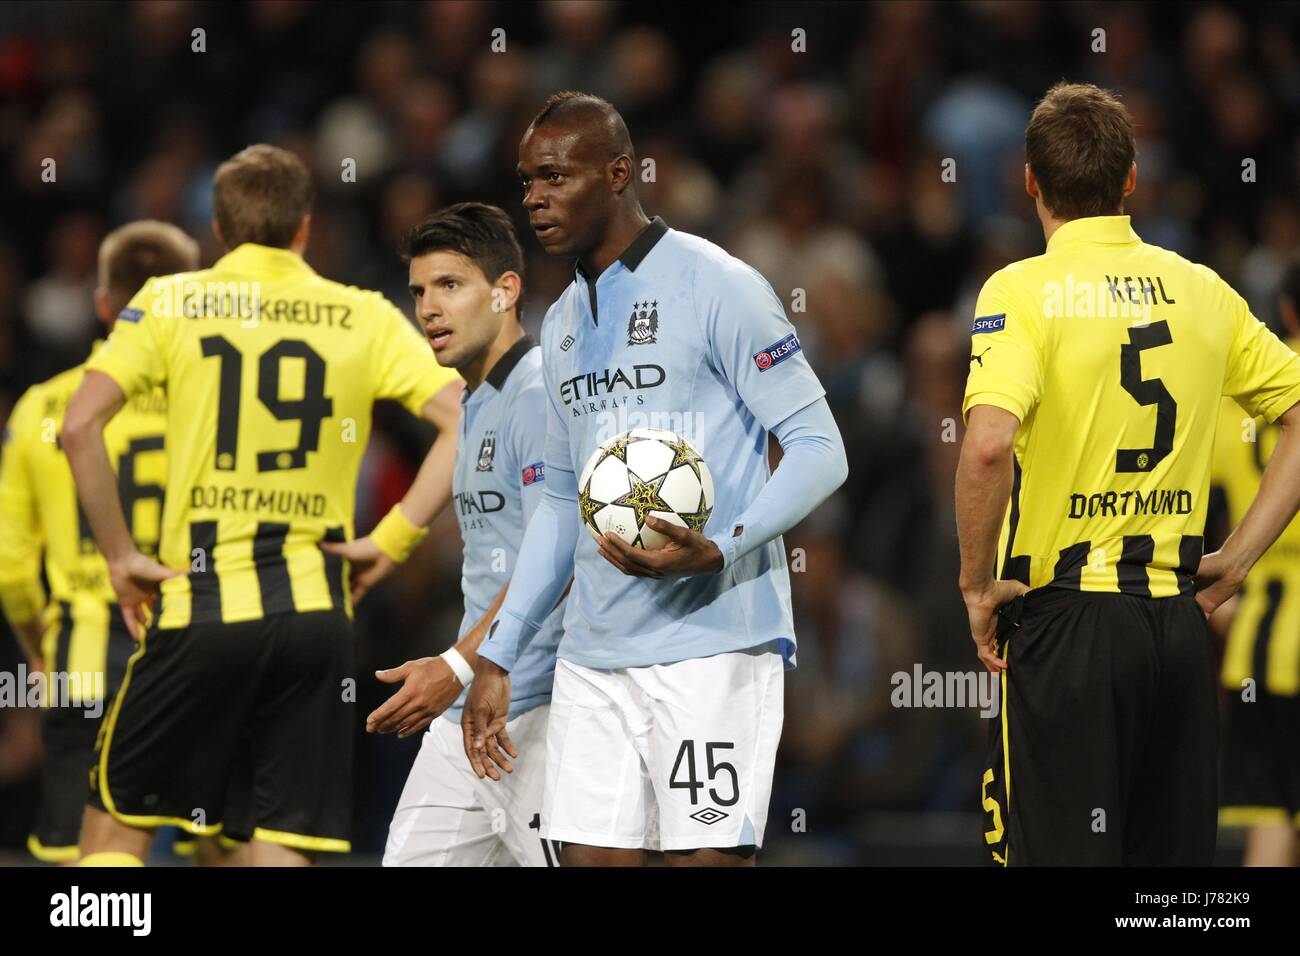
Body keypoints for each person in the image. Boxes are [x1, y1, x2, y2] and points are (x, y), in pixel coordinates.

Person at [463, 92, 848, 866]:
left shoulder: (719, 284)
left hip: (714, 645)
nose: (534, 199)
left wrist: (722, 547)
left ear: (617, 173)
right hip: (593, 657)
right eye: (525, 182)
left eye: (554, 178)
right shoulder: (563, 322)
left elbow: (818, 447)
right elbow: (558, 504)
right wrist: (496, 656)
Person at [61, 144, 463, 866]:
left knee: (115, 833)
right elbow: (466, 416)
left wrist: (122, 557)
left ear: (218, 228)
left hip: (200, 608)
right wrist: (392, 539)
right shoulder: (362, 315)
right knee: (280, 845)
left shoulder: (169, 301)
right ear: (304, 228)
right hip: (315, 622)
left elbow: (78, 425)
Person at [956, 82, 1300, 865]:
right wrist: (1236, 559)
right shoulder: (1202, 289)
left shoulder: (1020, 292)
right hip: (1178, 629)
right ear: (1133, 179)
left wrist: (977, 587)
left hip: (1066, 626)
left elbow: (985, 447)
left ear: (1031, 181)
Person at [340, 202, 564, 866]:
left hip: (550, 715)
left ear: (506, 290)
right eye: (418, 291)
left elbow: (551, 564)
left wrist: (458, 664)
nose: (429, 309)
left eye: (450, 286)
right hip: (472, 714)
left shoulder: (540, 395)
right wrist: (387, 545)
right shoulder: (475, 399)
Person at [0, 221, 198, 864]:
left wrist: (38, 648)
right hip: (198, 648)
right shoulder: (212, 403)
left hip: (81, 654)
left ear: (104, 303)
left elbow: (9, 569)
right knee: (222, 844)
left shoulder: (42, 406)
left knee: (84, 854)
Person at [1211, 259, 1300, 866]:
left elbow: (1187, 507)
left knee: (1272, 818)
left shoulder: (1244, 396)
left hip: (1258, 643)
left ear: (1287, 312)